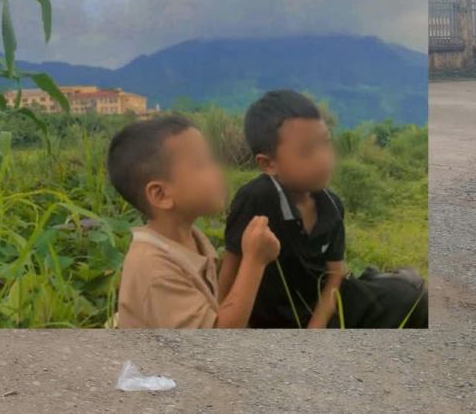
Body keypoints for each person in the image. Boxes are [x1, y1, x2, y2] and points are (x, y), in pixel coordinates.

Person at [219, 90, 427, 328]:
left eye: (325, 143)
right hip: (271, 316)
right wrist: (215, 323)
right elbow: (229, 269)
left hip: (322, 307)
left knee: (412, 295)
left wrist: (315, 329)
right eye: (307, 151)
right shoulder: (255, 199)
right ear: (268, 164)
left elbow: (335, 275)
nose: (323, 159)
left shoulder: (331, 204)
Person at [108, 114, 280, 328]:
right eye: (201, 164)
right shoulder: (154, 269)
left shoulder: (191, 239)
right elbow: (213, 344)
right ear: (161, 195)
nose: (218, 171)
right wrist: (254, 261)